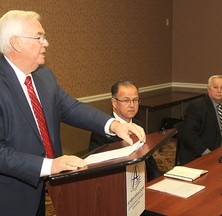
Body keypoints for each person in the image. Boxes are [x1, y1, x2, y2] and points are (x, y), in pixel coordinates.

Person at [0, 10, 145, 216]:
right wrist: (48, 165)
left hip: (44, 188)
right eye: (39, 37)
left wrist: (114, 125)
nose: (46, 42)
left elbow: (71, 107)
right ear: (16, 43)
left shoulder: (44, 76)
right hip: (10, 195)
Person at [89, 80, 163, 182]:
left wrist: (158, 180)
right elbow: (96, 170)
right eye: (126, 100)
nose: (132, 105)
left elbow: (149, 161)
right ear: (114, 103)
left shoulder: (139, 125)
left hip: (142, 180)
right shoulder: (102, 131)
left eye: (135, 100)